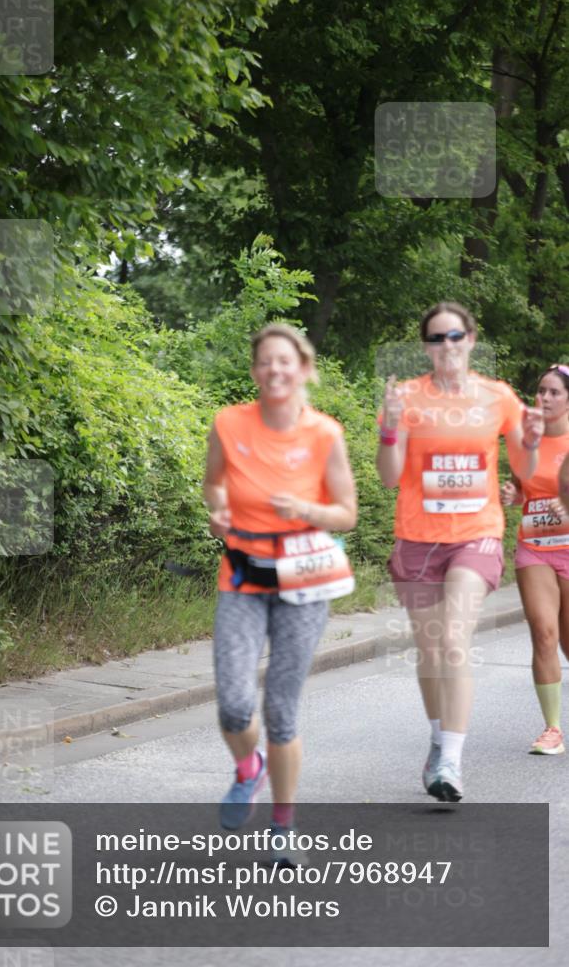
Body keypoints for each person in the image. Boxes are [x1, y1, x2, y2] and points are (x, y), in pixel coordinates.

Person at [376, 302, 543, 802]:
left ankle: (451, 759)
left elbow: (525, 468)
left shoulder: (498, 397)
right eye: (435, 338)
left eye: (454, 336)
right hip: (416, 537)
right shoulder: (406, 396)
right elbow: (389, 476)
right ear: (425, 346)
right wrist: (389, 428)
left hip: (477, 533)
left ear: (470, 339)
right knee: (429, 653)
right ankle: (437, 740)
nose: (445, 346)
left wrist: (530, 442)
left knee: (452, 640)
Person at [203, 323, 357, 862]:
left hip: (304, 581)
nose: (275, 370)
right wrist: (217, 509)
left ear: (304, 368)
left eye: (285, 361)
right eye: (265, 361)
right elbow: (214, 482)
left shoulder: (324, 434)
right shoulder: (228, 423)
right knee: (234, 703)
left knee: (281, 711)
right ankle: (249, 768)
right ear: (254, 371)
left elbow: (347, 513)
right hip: (243, 576)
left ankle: (283, 829)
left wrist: (308, 511)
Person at [500, 364, 569, 755]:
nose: (543, 398)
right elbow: (529, 492)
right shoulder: (525, 443)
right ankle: (552, 730)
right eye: (540, 391)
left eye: (554, 392)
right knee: (544, 632)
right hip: (535, 548)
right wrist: (516, 497)